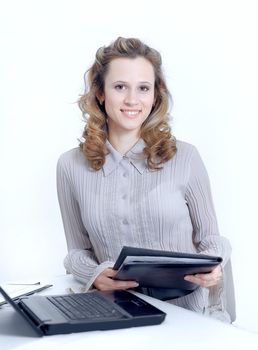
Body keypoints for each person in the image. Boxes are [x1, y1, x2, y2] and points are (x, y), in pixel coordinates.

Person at [56, 37, 234, 323]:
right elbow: (77, 252)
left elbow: (212, 239)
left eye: (143, 88)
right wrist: (94, 273)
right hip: (114, 313)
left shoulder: (186, 157)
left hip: (187, 316)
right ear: (100, 93)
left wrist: (214, 265)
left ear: (155, 96)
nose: (132, 100)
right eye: (119, 87)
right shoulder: (70, 165)